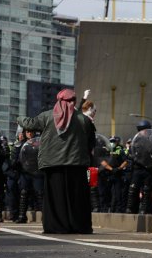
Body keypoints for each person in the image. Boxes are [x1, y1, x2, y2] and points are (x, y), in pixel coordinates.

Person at [17, 89, 95, 234]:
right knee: (77, 197)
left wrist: (19, 118)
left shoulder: (47, 116)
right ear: (74, 101)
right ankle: (79, 226)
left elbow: (30, 123)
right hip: (77, 165)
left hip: (53, 165)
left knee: (55, 197)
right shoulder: (83, 120)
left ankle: (56, 226)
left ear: (58, 101)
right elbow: (91, 142)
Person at [125, 120, 152, 214]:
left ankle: (144, 209)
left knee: (147, 190)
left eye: (145, 130)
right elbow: (130, 155)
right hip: (138, 168)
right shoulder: (135, 141)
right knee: (133, 189)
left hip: (149, 169)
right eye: (142, 130)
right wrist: (136, 159)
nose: (144, 132)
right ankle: (130, 208)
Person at [98, 136, 128, 212]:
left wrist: (119, 168)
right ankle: (105, 208)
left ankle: (119, 209)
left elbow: (126, 161)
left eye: (114, 141)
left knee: (118, 193)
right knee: (106, 192)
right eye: (111, 141)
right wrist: (111, 169)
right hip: (107, 174)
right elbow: (102, 162)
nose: (112, 143)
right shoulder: (105, 150)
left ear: (116, 142)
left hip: (117, 174)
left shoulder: (120, 150)